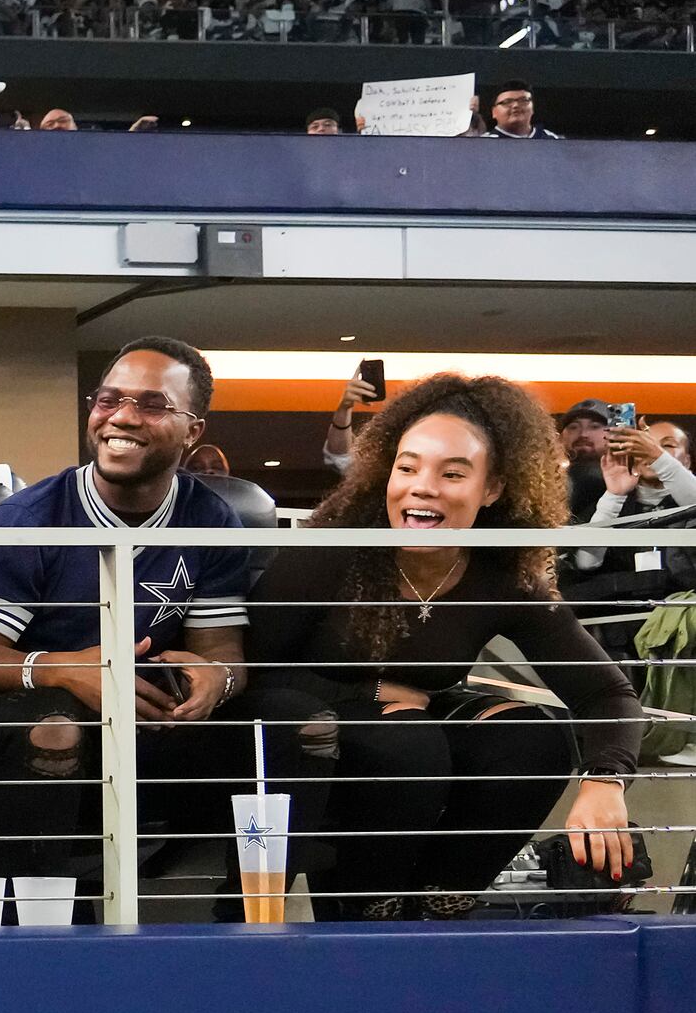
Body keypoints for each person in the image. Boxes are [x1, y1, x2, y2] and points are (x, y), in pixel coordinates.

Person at [0, 336, 333, 898]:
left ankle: (251, 918)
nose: (121, 417)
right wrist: (68, 670)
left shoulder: (212, 518)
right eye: (108, 399)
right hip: (16, 718)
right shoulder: (28, 517)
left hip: (149, 720)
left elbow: (222, 651)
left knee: (303, 726)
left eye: (152, 404)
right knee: (55, 728)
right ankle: (43, 937)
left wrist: (216, 680)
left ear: (193, 429)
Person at [251, 374, 640, 917]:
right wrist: (373, 690)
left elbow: (607, 693)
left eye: (452, 473)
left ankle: (443, 902)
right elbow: (248, 670)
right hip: (311, 724)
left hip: (417, 726)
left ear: (494, 488)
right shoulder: (329, 552)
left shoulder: (503, 574)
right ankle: (368, 915)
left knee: (533, 740)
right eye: (406, 467)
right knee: (408, 743)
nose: (422, 486)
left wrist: (604, 780)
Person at [565, 416, 696, 605]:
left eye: (667, 446)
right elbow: (586, 562)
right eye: (644, 446)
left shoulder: (689, 496)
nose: (652, 452)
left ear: (686, 461)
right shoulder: (608, 502)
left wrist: (660, 459)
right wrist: (614, 495)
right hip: (621, 620)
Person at [559, 398, 616, 518]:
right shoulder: (544, 485)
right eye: (574, 427)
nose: (583, 434)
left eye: (594, 426)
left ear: (615, 434)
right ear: (561, 437)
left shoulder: (634, 483)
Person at [480, 79, 558, 140]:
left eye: (523, 100)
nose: (516, 105)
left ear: (533, 108)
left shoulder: (551, 140)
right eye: (507, 102)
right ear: (494, 112)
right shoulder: (482, 143)